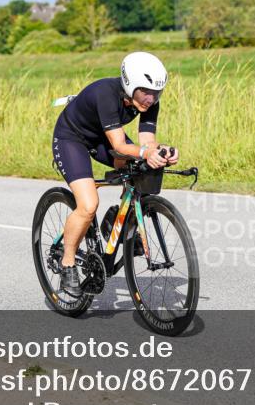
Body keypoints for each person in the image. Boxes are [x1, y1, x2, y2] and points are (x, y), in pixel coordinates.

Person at [52, 51, 178, 297]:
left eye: (157, 93)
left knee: (139, 169)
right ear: (130, 84)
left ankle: (116, 219)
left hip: (104, 137)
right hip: (72, 138)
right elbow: (120, 146)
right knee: (88, 205)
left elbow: (146, 142)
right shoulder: (106, 94)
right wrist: (144, 152)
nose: (151, 98)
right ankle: (67, 264)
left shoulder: (149, 101)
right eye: (145, 92)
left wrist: (163, 151)